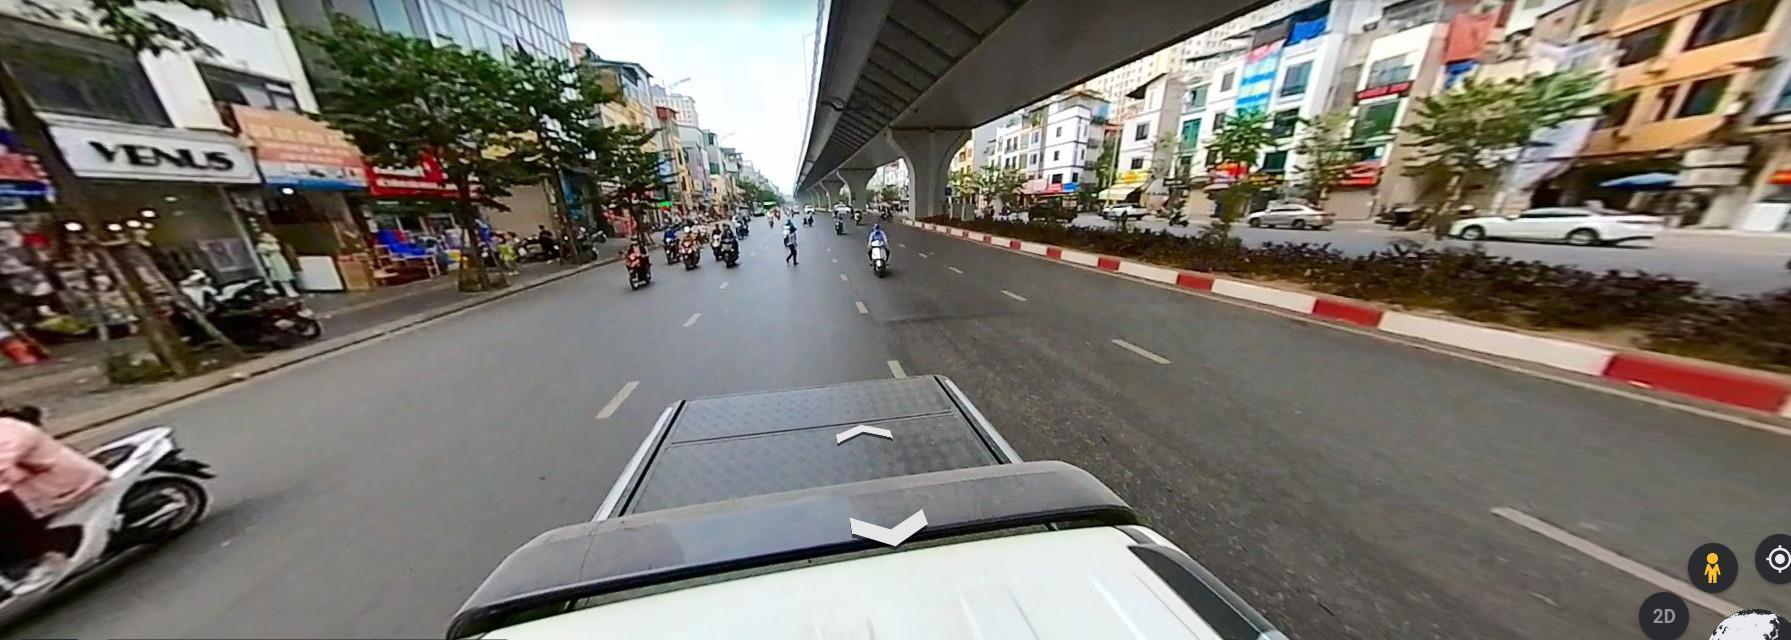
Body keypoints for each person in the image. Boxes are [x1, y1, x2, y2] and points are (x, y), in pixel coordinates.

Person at [0, 406, 106, 590]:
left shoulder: (8, 429)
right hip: (31, 491)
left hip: (59, 486)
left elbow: (3, 464)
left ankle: (36, 560)